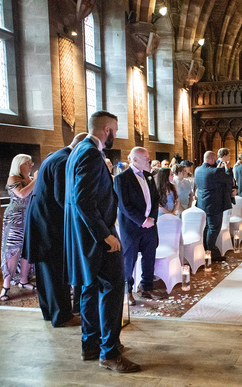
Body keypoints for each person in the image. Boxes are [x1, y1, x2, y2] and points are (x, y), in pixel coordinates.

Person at [64, 111, 140, 372]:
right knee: (113, 287)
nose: (115, 135)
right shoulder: (90, 153)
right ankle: (109, 352)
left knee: (89, 287)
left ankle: (91, 345)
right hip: (97, 236)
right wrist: (105, 235)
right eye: (115, 130)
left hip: (87, 236)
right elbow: (83, 201)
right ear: (106, 129)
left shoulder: (77, 150)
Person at [22, 132, 87, 325]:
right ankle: (61, 315)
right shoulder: (63, 161)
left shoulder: (57, 156)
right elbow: (62, 198)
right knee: (55, 271)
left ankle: (50, 312)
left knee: (45, 273)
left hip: (42, 221)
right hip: (48, 224)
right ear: (80, 147)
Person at [114, 147, 166, 307]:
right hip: (131, 227)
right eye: (146, 159)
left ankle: (147, 287)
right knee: (129, 260)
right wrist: (142, 220)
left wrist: (152, 220)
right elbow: (124, 205)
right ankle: (127, 291)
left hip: (150, 225)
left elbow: (156, 200)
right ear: (134, 160)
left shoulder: (149, 176)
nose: (149, 161)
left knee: (149, 257)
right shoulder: (122, 178)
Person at [0, 154, 38, 301]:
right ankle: (6, 285)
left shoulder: (30, 180)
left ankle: (24, 280)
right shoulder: (13, 178)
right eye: (27, 163)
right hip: (14, 219)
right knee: (13, 251)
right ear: (19, 165)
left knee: (27, 249)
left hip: (29, 218)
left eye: (30, 163)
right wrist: (35, 180)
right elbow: (22, 194)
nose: (30, 166)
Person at [194, 151, 233, 261]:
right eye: (215, 159)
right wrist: (227, 169)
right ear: (211, 159)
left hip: (202, 204)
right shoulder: (215, 171)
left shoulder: (197, 170)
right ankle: (211, 251)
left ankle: (205, 248)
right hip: (214, 204)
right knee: (214, 228)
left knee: (206, 227)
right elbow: (228, 180)